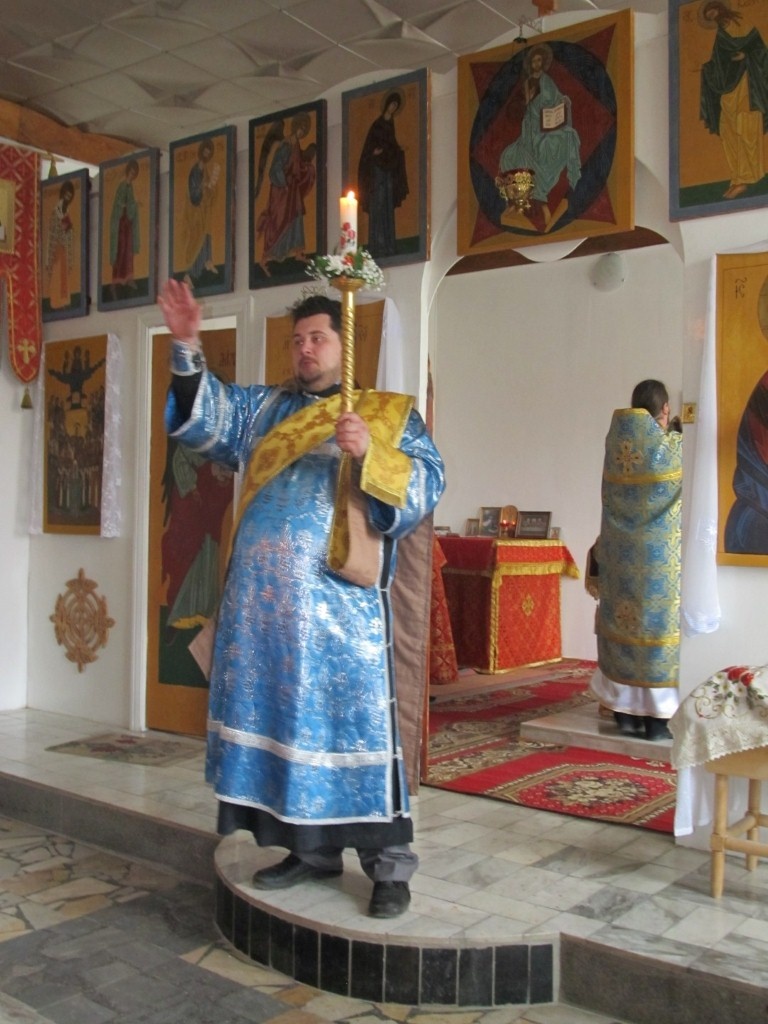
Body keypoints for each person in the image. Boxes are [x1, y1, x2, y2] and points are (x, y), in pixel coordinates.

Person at [158, 280, 445, 918]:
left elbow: (429, 480)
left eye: (317, 338)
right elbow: (206, 416)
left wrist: (369, 453)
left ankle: (388, 869)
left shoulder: (386, 414)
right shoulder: (264, 410)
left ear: (345, 344)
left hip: (341, 615)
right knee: (287, 728)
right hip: (265, 618)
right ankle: (309, 852)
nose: (305, 349)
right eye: (297, 340)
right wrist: (186, 346)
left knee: (354, 730)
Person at [588, 379, 683, 741]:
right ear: (664, 409)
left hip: (618, 552)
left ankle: (624, 713)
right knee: (655, 629)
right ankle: (657, 719)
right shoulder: (668, 448)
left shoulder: (616, 441)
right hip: (657, 557)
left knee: (624, 624)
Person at [498, 43, 582, 230]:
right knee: (509, 155)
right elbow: (519, 107)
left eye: (539, 60)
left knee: (564, 138)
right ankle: (520, 202)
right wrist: (527, 100)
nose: (536, 64)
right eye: (534, 61)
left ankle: (542, 197)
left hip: (548, 125)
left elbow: (556, 99)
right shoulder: (528, 82)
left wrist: (564, 101)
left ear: (543, 62)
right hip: (532, 126)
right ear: (531, 64)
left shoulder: (548, 81)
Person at [699, 0, 768, 200]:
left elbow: (761, 52)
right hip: (729, 88)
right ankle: (737, 177)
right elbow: (718, 61)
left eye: (714, 14)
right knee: (727, 129)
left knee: (745, 128)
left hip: (747, 86)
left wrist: (746, 56)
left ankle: (747, 177)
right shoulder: (721, 35)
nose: (714, 18)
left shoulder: (744, 25)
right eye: (710, 18)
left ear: (721, 10)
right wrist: (707, 69)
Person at [255, 113, 316, 271]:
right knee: (278, 221)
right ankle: (265, 257)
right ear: (295, 128)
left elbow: (298, 167)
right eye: (300, 128)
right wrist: (284, 183)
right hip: (281, 190)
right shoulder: (286, 145)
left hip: (292, 189)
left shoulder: (296, 146)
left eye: (304, 130)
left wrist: (308, 169)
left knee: (296, 215)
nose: (302, 132)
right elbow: (275, 169)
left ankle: (298, 252)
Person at [357, 91, 409, 258]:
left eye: (396, 106)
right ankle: (377, 245)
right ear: (387, 105)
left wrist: (399, 150)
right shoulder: (377, 125)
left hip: (387, 171)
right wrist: (374, 152)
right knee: (378, 205)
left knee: (387, 206)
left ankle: (388, 245)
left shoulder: (390, 124)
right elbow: (368, 149)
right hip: (377, 171)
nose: (393, 108)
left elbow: (391, 145)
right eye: (392, 104)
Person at [182, 138, 220, 287]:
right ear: (201, 153)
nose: (206, 155)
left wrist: (210, 188)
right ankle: (190, 274)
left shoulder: (206, 170)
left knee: (207, 235)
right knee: (198, 240)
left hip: (204, 210)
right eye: (205, 152)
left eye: (208, 153)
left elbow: (208, 192)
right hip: (196, 212)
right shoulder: (195, 170)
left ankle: (208, 261)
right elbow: (194, 194)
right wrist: (202, 188)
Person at [109, 159, 140, 297]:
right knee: (120, 252)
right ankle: (115, 283)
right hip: (121, 225)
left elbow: (130, 205)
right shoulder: (122, 186)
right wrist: (132, 205)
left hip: (128, 226)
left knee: (128, 253)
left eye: (134, 174)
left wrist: (133, 205)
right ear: (128, 172)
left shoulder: (130, 187)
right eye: (131, 173)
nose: (132, 176)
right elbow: (119, 205)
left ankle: (128, 278)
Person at [45, 179, 75, 310]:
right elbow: (53, 233)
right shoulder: (56, 212)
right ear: (62, 194)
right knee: (57, 276)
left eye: (69, 196)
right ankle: (56, 302)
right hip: (57, 250)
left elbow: (69, 231)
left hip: (63, 250)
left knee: (63, 278)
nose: (67, 198)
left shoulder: (66, 212)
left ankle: (63, 302)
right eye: (66, 195)